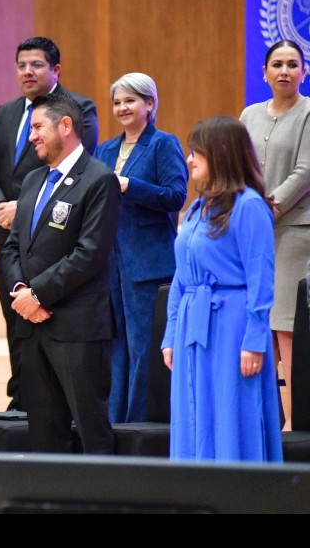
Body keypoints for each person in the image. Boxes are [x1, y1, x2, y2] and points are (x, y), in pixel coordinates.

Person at [0, 36, 99, 412]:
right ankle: (22, 399)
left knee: (53, 327)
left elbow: (78, 170)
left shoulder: (78, 108)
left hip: (54, 240)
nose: (27, 71)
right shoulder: (6, 112)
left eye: (36, 64)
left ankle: (56, 405)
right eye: (21, 65)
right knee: (17, 323)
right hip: (10, 239)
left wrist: (23, 207)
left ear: (55, 69)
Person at [2, 92, 121, 454]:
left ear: (65, 126)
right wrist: (22, 292)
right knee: (44, 437)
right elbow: (12, 247)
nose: (31, 136)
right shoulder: (32, 180)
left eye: (38, 127)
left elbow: (90, 254)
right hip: (32, 328)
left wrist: (38, 295)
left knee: (91, 433)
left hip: (77, 329)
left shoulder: (99, 179)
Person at [161, 115, 283, 462]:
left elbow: (261, 278)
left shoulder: (249, 206)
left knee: (232, 414)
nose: (189, 159)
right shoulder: (196, 209)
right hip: (192, 326)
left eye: (196, 151)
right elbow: (181, 277)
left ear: (222, 151)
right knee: (192, 413)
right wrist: (171, 333)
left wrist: (254, 339)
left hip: (232, 327)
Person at [94, 72, 188, 424]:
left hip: (149, 263)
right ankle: (115, 422)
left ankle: (140, 426)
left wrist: (128, 185)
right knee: (116, 347)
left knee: (143, 348)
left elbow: (175, 197)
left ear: (150, 104)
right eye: (117, 102)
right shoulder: (104, 149)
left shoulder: (164, 144)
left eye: (130, 100)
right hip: (110, 264)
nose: (122, 108)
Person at [240, 39, 310, 432]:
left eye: (292, 64)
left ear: (304, 72)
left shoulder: (308, 112)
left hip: (293, 231)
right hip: (250, 233)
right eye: (277, 64)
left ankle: (294, 422)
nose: (285, 71)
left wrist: (265, 209)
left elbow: (305, 171)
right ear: (264, 72)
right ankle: (264, 419)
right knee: (257, 324)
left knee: (285, 326)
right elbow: (239, 165)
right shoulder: (249, 114)